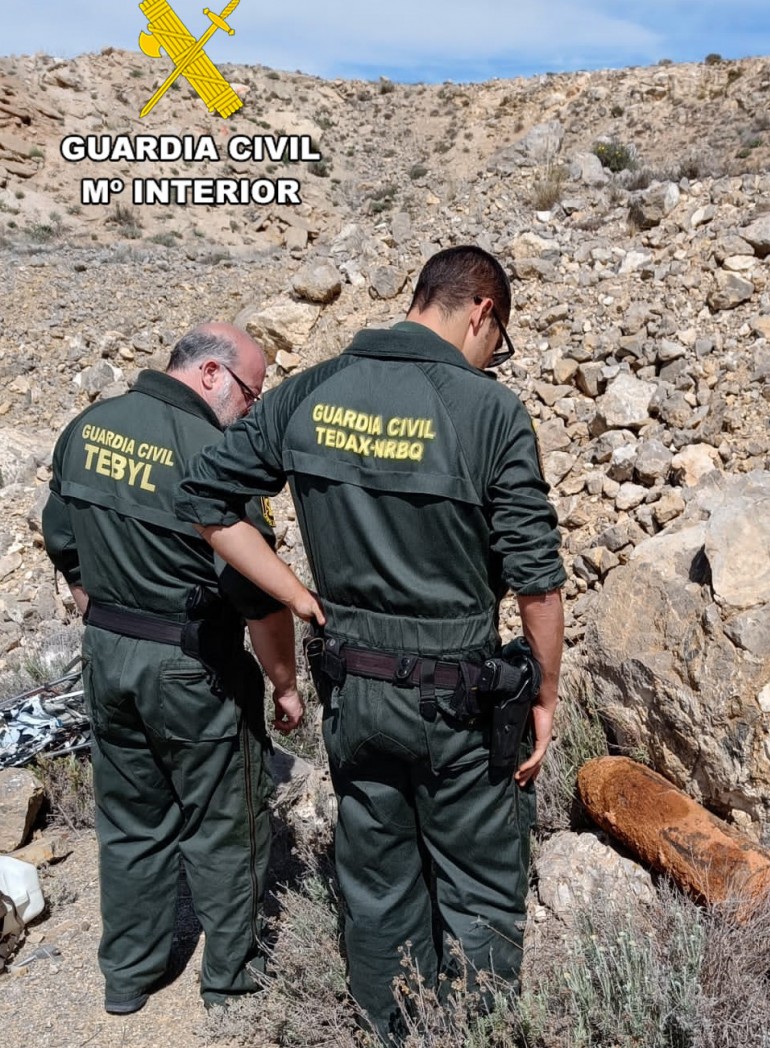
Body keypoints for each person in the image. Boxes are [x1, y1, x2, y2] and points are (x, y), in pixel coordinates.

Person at [175, 245, 566, 1037]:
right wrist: (549, 695)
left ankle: (391, 1030)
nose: (495, 356)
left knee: (379, 882)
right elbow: (537, 580)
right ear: (481, 310)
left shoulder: (309, 393)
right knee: (481, 889)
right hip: (460, 700)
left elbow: (205, 503)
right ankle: (478, 1031)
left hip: (355, 692)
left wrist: (295, 594)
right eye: (500, 338)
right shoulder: (487, 410)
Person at [42, 323, 302, 1015]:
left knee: (130, 821)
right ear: (213, 374)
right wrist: (284, 683)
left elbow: (64, 540)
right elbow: (259, 593)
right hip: (191, 661)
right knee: (225, 824)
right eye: (251, 391)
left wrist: (105, 612)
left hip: (107, 652)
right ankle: (231, 984)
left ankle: (128, 978)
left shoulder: (88, 427)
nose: (252, 407)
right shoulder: (217, 455)